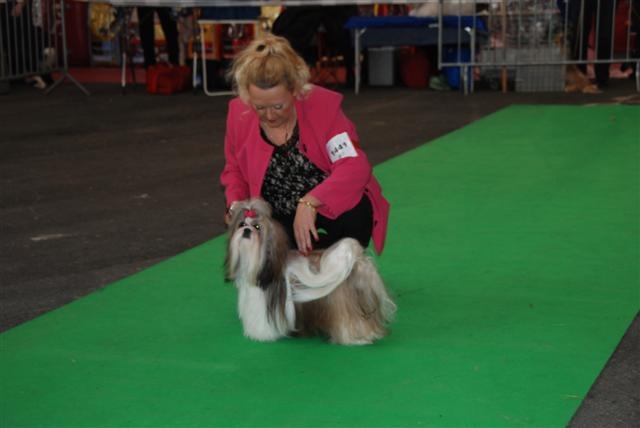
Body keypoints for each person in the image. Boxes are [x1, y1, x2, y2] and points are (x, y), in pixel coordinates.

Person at [220, 34, 389, 255]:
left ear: (295, 90)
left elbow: (354, 165)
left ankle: (337, 262)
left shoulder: (324, 107)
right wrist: (235, 205)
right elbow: (234, 170)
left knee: (355, 214)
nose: (269, 116)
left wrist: (310, 202)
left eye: (278, 106)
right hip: (276, 217)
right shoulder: (238, 114)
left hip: (323, 208)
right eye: (259, 107)